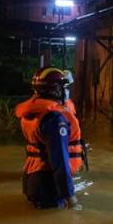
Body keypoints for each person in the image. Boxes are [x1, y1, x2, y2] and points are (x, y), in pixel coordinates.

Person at [15, 67, 84, 209]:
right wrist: (71, 198)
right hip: (47, 184)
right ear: (55, 89)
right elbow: (60, 162)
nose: (65, 90)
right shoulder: (54, 119)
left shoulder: (33, 112)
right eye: (63, 86)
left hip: (32, 180)